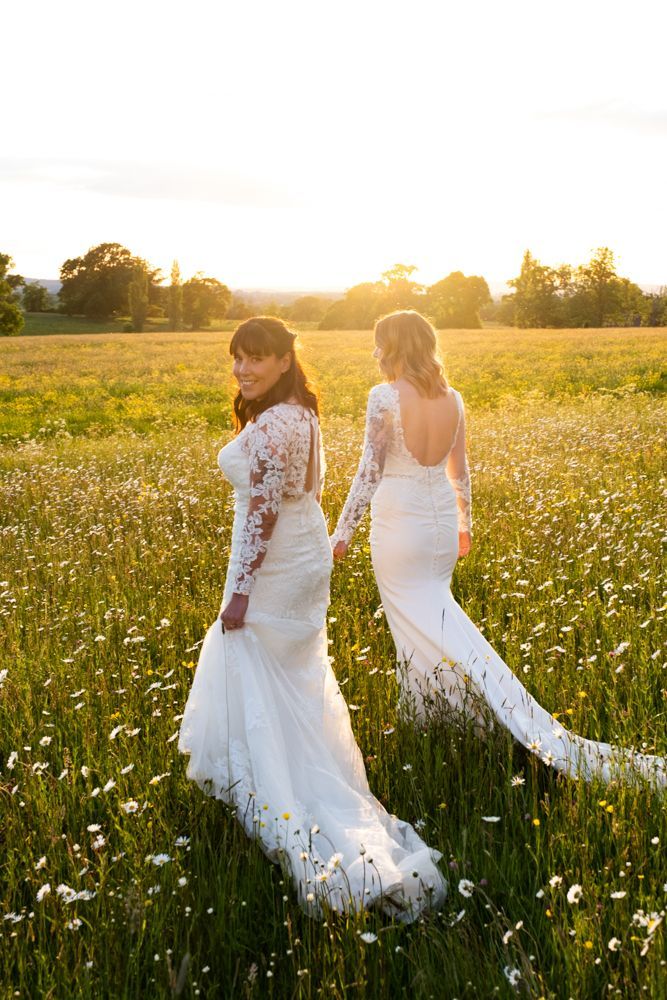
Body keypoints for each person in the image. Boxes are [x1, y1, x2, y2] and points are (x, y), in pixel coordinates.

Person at [178, 317, 447, 921]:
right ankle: (302, 766)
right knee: (295, 679)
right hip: (305, 554)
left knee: (257, 663)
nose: (242, 370)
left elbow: (264, 512)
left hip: (276, 563)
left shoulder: (277, 423)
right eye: (236, 359)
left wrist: (240, 592)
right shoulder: (301, 410)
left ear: (282, 362)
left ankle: (285, 791)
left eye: (255, 359)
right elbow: (302, 495)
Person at [331, 310, 665, 788]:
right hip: (441, 521)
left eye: (380, 343)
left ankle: (472, 713)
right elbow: (459, 468)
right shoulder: (453, 398)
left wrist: (341, 532)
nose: (375, 352)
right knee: (435, 615)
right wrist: (464, 524)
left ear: (397, 346)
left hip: (400, 523)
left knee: (414, 621)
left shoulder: (383, 396)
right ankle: (443, 716)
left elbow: (370, 471)